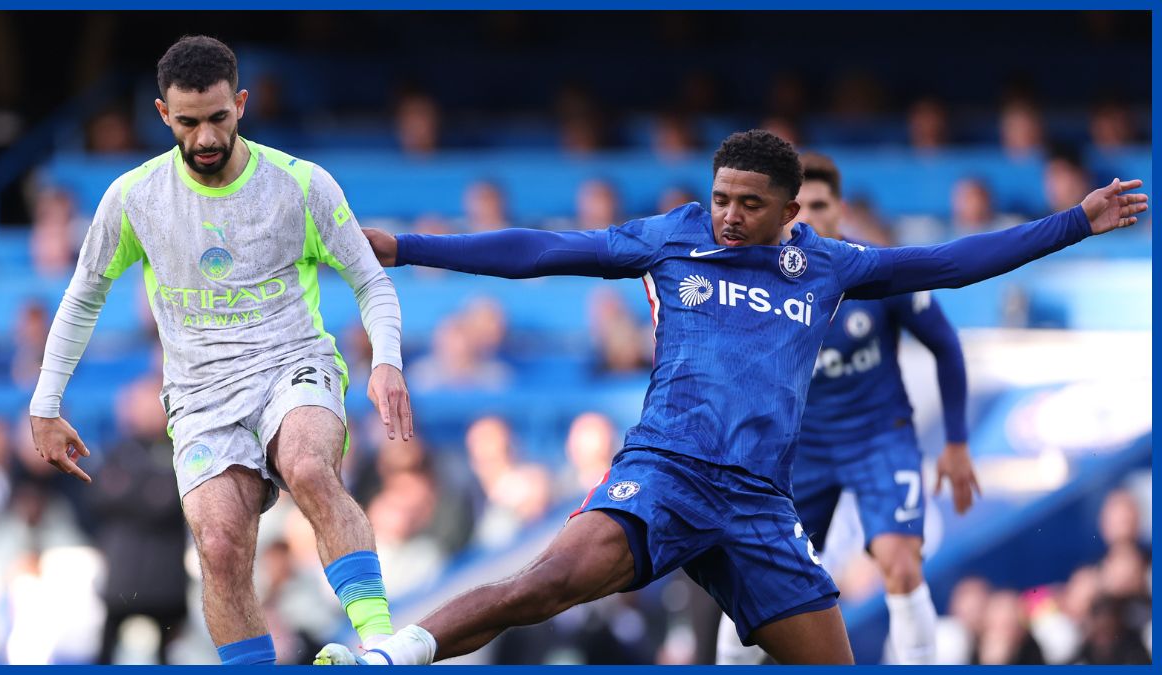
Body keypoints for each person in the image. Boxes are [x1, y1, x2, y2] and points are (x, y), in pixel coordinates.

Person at [321, 130, 1146, 666]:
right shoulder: (672, 236)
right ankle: (395, 654)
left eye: (750, 204)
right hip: (667, 472)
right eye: (721, 198)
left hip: (757, 503)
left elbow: (955, 262)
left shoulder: (831, 266)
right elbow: (544, 248)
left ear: (792, 210)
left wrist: (1073, 221)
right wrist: (405, 245)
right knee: (543, 583)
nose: (727, 216)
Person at [27, 35, 413, 666]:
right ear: (161, 115)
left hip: (293, 363)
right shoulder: (134, 198)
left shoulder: (300, 185)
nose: (205, 137)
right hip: (201, 394)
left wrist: (387, 360)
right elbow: (81, 298)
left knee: (310, 468)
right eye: (187, 122)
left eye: (217, 119)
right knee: (219, 543)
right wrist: (46, 402)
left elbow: (371, 279)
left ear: (240, 104)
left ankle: (377, 647)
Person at [714, 152, 979, 665]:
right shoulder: (753, 283)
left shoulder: (876, 271)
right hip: (800, 451)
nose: (809, 217)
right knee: (757, 578)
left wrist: (957, 441)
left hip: (879, 437)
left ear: (840, 209)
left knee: (901, 564)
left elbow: (946, 344)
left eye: (821, 204)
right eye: (800, 207)